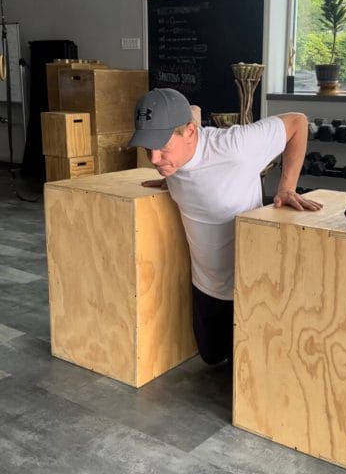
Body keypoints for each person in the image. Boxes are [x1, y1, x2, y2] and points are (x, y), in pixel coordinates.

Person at [129, 88, 322, 365]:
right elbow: (193, 109)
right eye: (148, 148)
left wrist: (287, 186)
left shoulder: (235, 146)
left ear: (191, 133)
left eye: (163, 148)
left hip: (246, 287)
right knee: (210, 358)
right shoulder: (174, 158)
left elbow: (297, 122)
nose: (154, 159)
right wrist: (170, 178)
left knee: (242, 373)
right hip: (205, 284)